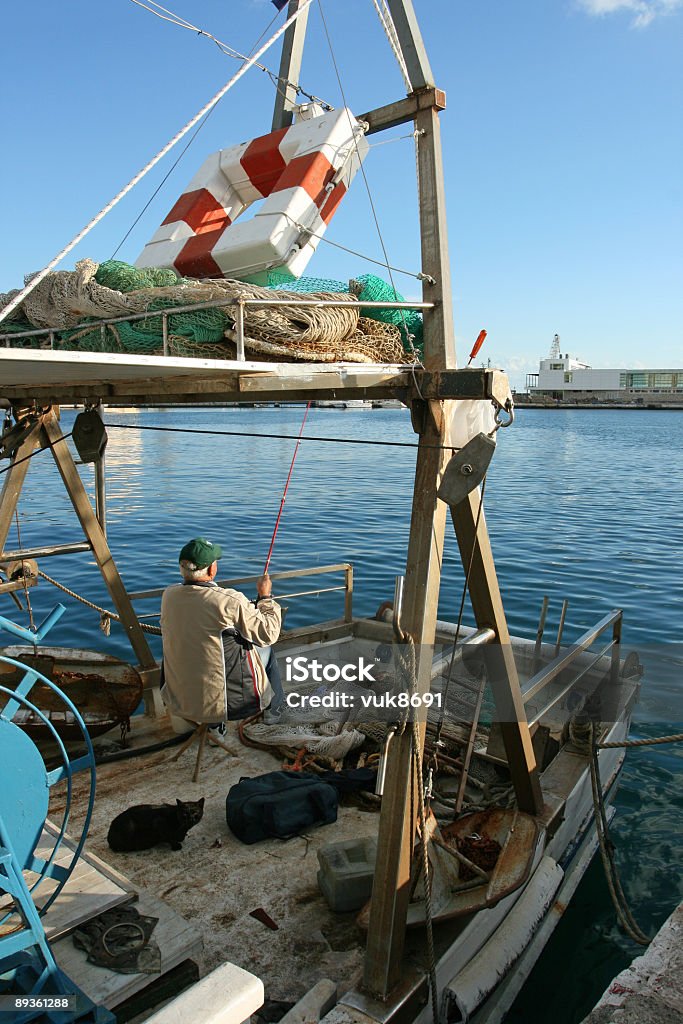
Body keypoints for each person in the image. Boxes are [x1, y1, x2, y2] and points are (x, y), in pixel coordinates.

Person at [160, 537, 284, 726]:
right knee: (267, 651)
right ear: (211, 569)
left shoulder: (169, 595)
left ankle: (215, 728)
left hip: (179, 697)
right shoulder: (229, 599)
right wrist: (265, 596)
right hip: (224, 703)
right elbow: (269, 634)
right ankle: (274, 712)